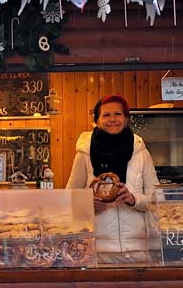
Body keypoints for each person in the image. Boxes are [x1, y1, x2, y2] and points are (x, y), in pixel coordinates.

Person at [66, 94, 161, 264]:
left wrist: (134, 199)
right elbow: (69, 198)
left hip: (138, 249)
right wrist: (87, 203)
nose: (112, 119)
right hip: (96, 249)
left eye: (118, 114)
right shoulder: (84, 153)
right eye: (106, 115)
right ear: (97, 120)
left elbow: (158, 200)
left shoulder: (141, 152)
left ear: (126, 119)